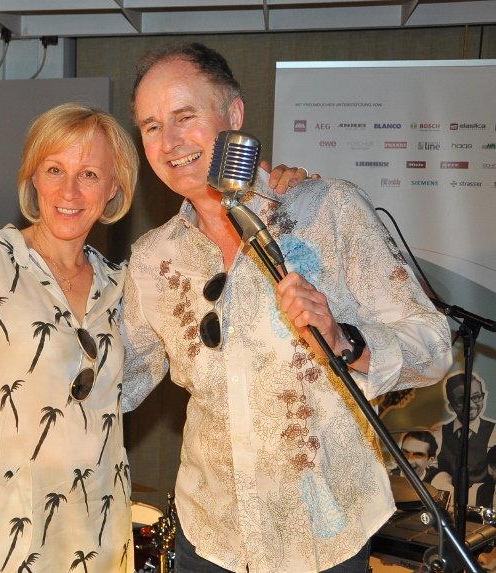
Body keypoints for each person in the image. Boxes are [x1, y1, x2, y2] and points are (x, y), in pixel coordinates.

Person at [0, 102, 310, 572]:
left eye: (90, 175)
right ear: (33, 177)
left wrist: (278, 194)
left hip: (100, 532)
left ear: (114, 187)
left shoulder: (124, 285)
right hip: (3, 536)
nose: (69, 191)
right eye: (54, 170)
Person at [120, 42, 453, 573]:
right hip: (210, 540)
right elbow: (117, 384)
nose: (170, 142)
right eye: (152, 126)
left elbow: (433, 345)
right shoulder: (152, 258)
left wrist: (345, 340)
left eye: (185, 116)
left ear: (234, 115)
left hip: (324, 540)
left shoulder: (328, 211)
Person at [436, 371, 496, 486]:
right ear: (451, 406)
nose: (471, 405)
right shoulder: (439, 433)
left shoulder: (494, 432)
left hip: (482, 495)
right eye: (462, 400)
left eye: (476, 397)